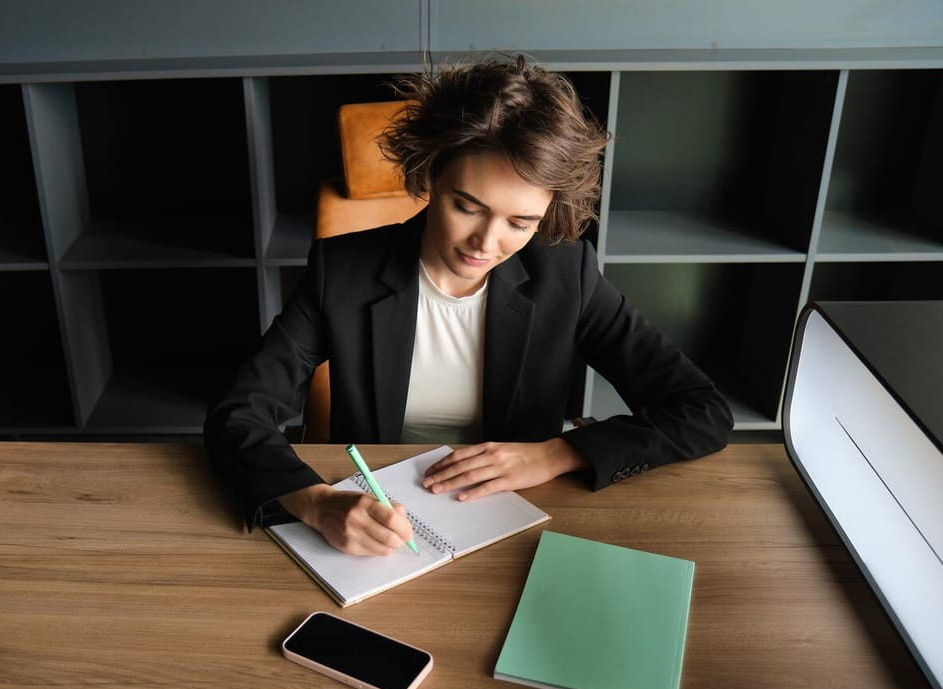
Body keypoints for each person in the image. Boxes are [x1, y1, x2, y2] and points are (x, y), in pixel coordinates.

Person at [204, 55, 733, 557]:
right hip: (383, 519)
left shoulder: (566, 275)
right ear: (432, 175)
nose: (486, 243)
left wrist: (558, 452)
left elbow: (700, 409)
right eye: (467, 207)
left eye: (520, 224)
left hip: (517, 517)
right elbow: (240, 412)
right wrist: (314, 502)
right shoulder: (343, 270)